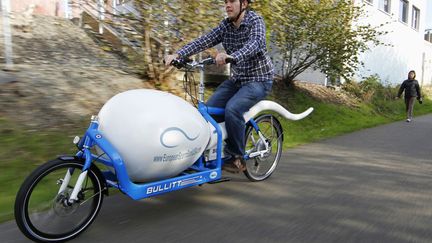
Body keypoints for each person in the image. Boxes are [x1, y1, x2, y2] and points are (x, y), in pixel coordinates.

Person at [164, 0, 274, 173]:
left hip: (258, 79)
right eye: (225, 2)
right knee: (207, 111)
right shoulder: (225, 26)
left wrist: (232, 56)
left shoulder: (255, 21)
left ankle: (237, 157)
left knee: (233, 109)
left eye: (232, 1)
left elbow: (255, 44)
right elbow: (203, 41)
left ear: (244, 4)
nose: (227, 5)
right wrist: (178, 54)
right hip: (237, 79)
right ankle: (209, 151)